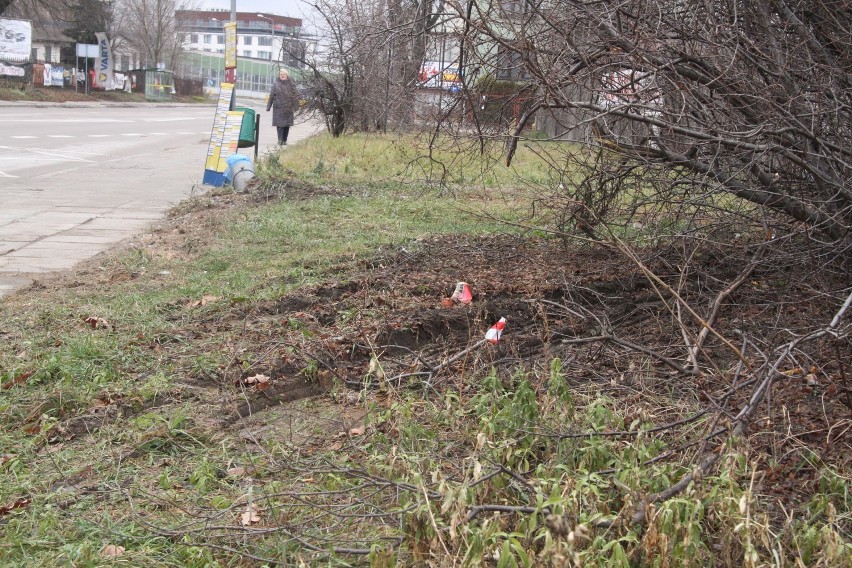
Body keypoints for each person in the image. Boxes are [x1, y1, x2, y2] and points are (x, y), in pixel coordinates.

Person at [266, 68, 299, 145]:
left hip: (288, 108)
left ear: (286, 75)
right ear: (279, 75)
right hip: (279, 108)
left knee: (287, 125)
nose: (282, 76)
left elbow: (295, 95)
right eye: (281, 74)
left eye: (284, 74)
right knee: (280, 125)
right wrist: (268, 106)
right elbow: (271, 96)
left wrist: (296, 106)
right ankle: (280, 141)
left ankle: (284, 140)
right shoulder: (276, 84)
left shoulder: (291, 84)